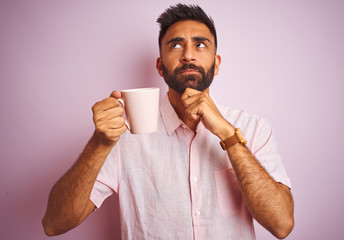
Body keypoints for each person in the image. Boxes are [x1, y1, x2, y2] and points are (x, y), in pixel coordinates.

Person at [42, 3, 294, 239]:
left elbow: (281, 224)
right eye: (175, 45)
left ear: (216, 65)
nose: (188, 56)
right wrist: (99, 143)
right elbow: (55, 223)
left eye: (200, 45)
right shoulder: (124, 134)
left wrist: (230, 138)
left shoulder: (254, 128)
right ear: (160, 67)